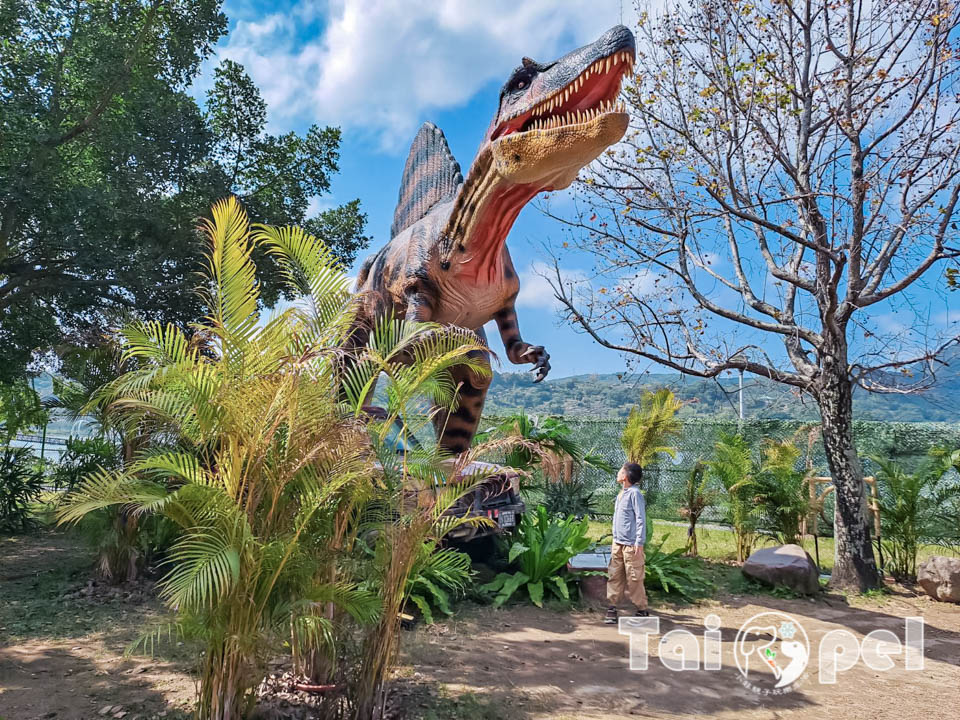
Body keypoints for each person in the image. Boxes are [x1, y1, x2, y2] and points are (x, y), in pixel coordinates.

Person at [604, 462, 649, 624]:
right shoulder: (621, 493)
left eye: (620, 471)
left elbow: (640, 518)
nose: (618, 473)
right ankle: (612, 607)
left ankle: (642, 609)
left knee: (634, 577)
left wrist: (639, 541)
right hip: (618, 542)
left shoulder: (635, 494)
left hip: (632, 545)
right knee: (615, 574)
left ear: (626, 476)